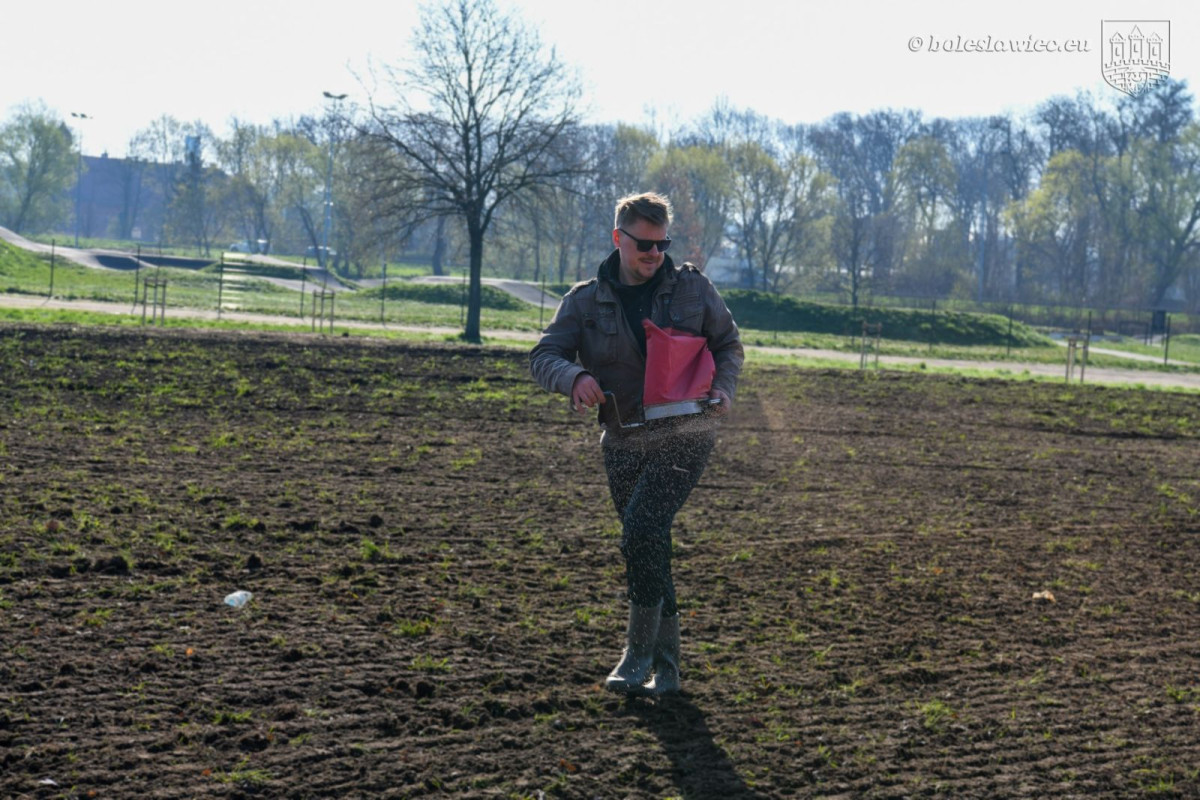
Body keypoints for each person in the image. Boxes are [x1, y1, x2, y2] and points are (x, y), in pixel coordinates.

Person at [530, 192, 744, 696]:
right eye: (643, 244)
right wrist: (574, 376)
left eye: (661, 243)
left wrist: (724, 388)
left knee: (642, 529)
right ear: (617, 239)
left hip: (686, 431)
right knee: (647, 544)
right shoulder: (584, 301)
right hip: (623, 436)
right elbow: (544, 354)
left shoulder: (692, 288)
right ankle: (667, 668)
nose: (654, 254)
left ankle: (637, 654)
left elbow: (728, 344)